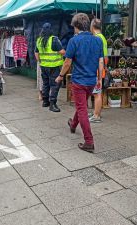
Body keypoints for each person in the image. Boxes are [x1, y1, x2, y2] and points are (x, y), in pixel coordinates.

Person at [56, 13, 104, 152]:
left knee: (82, 109)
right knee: (81, 105)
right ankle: (73, 125)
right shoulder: (97, 40)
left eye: (73, 27)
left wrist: (60, 76)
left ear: (76, 26)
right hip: (91, 81)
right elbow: (101, 61)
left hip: (78, 81)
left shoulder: (74, 41)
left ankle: (89, 141)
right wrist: (99, 79)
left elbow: (67, 62)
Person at [35, 23, 66, 112]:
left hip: (43, 66)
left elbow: (36, 53)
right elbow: (62, 52)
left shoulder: (39, 40)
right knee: (55, 85)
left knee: (45, 84)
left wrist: (41, 62)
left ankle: (45, 101)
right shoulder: (54, 40)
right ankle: (52, 104)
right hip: (54, 66)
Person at [89, 18, 109, 123]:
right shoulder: (102, 37)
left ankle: (96, 116)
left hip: (97, 70)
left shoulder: (97, 38)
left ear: (92, 27)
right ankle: (96, 112)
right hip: (99, 69)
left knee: (97, 93)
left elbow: (104, 58)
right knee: (97, 93)